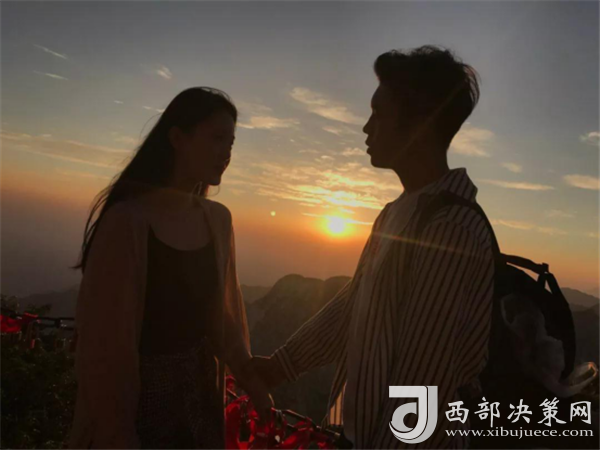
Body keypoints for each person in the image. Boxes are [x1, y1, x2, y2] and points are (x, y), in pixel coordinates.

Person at [250, 45, 496, 448]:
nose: (366, 127)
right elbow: (354, 307)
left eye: (378, 114)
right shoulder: (396, 213)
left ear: (421, 125)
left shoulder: (450, 230)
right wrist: (280, 367)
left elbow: (423, 381)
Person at [68, 87, 273, 449]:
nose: (227, 152)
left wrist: (253, 382)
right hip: (137, 409)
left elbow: (220, 318)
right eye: (217, 138)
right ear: (177, 138)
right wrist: (118, 435)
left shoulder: (218, 220)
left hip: (200, 407)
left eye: (231, 143)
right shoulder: (128, 222)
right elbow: (106, 346)